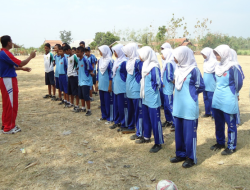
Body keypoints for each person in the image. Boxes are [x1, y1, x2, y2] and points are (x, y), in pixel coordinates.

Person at [170, 46, 205, 168]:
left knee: (190, 134)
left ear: (183, 56)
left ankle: (191, 157)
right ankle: (180, 154)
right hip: (178, 105)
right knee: (179, 133)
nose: (174, 59)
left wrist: (191, 95)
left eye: (176, 56)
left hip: (189, 107)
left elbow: (201, 86)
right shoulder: (178, 69)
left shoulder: (194, 70)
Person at [210, 45, 243, 155]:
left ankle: (231, 146)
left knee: (231, 124)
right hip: (217, 98)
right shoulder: (217, 66)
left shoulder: (233, 67)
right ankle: (220, 142)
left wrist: (233, 92)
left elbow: (239, 83)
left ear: (224, 54)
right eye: (215, 53)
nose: (216, 56)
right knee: (218, 123)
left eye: (218, 54)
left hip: (228, 99)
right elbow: (216, 81)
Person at [0, 35, 36, 134]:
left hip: (6, 80)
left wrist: (22, 69)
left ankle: (5, 125)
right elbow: (21, 63)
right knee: (11, 104)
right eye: (11, 41)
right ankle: (9, 127)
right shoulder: (5, 53)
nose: (12, 43)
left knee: (8, 104)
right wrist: (30, 57)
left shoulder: (2, 53)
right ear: (8, 43)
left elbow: (11, 66)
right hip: (8, 81)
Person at [136, 46, 164, 153]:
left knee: (155, 120)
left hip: (152, 98)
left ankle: (158, 142)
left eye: (141, 54)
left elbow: (157, 82)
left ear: (146, 54)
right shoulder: (145, 66)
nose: (139, 56)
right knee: (146, 118)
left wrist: (152, 91)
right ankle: (146, 137)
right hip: (145, 97)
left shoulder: (154, 66)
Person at [122, 43, 144, 136]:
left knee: (138, 111)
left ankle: (140, 132)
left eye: (126, 51)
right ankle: (131, 126)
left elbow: (142, 74)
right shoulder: (129, 61)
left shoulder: (138, 62)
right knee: (131, 110)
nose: (125, 53)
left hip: (136, 90)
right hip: (129, 90)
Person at [109, 44, 128, 131]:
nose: (114, 53)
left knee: (122, 107)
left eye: (115, 51)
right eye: (114, 52)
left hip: (122, 88)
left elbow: (126, 76)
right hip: (116, 88)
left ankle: (124, 124)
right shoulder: (116, 61)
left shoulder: (124, 62)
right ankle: (117, 122)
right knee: (116, 106)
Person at [75, 46, 94, 116]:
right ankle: (83, 107)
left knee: (86, 96)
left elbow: (90, 69)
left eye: (78, 52)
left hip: (85, 81)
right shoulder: (78, 60)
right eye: (76, 52)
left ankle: (89, 110)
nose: (76, 53)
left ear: (82, 53)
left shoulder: (85, 60)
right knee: (81, 96)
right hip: (80, 81)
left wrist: (91, 73)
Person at [96, 45, 113, 123]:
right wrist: (96, 83)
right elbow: (98, 72)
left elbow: (111, 74)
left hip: (107, 85)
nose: (100, 53)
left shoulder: (110, 61)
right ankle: (104, 115)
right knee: (102, 101)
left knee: (108, 102)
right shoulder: (100, 61)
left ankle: (109, 117)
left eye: (101, 51)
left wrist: (110, 85)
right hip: (101, 84)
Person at [201, 47, 218, 119]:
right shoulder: (205, 61)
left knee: (211, 99)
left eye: (204, 54)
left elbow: (216, 73)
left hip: (211, 83)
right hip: (205, 82)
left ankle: (214, 114)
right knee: (205, 98)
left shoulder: (215, 62)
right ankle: (207, 112)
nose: (203, 56)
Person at [161, 48, 176, 131]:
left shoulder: (169, 63)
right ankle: (168, 120)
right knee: (166, 105)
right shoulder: (166, 63)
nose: (161, 56)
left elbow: (170, 77)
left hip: (168, 87)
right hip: (165, 87)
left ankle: (175, 122)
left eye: (163, 54)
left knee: (170, 105)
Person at [230, 48, 245, 126]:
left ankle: (237, 120)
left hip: (234, 89)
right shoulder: (223, 65)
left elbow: (239, 80)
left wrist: (237, 92)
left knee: (235, 104)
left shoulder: (236, 66)